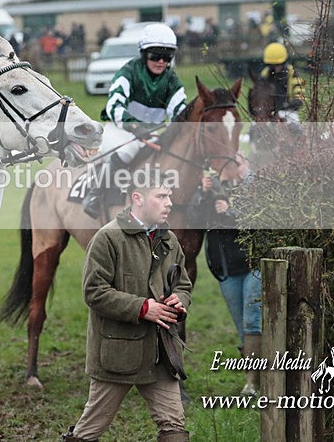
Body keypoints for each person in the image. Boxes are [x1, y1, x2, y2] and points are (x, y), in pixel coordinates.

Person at [62, 169, 192, 442]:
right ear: (138, 198)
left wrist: (181, 299)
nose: (169, 202)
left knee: (174, 428)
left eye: (169, 195)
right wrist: (143, 308)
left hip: (160, 353)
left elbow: (183, 284)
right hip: (116, 354)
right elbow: (94, 292)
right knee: (88, 432)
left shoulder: (169, 240)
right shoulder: (108, 238)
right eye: (161, 196)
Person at [82, 23, 187, 218]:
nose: (161, 61)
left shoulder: (172, 81)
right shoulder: (128, 72)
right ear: (144, 53)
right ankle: (94, 194)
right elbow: (114, 107)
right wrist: (134, 126)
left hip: (151, 133)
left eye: (167, 56)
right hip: (121, 129)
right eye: (156, 55)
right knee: (127, 151)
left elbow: (179, 113)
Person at [187, 152, 261, 396]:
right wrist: (201, 192)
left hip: (254, 265)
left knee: (252, 320)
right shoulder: (210, 194)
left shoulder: (251, 188)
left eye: (234, 164)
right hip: (226, 270)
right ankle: (254, 379)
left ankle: (256, 382)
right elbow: (193, 219)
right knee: (242, 326)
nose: (225, 170)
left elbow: (260, 217)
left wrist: (231, 209)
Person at [260, 42, 305, 129]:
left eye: (277, 65)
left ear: (284, 62)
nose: (275, 68)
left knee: (296, 130)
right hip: (270, 112)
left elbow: (300, 94)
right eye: (272, 65)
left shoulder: (292, 73)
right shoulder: (265, 74)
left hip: (288, 111)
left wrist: (292, 103)